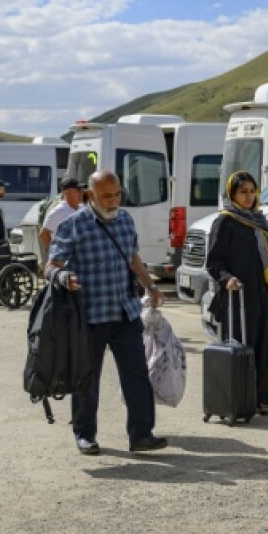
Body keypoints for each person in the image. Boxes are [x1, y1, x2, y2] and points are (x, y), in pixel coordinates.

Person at [48, 170, 167, 456]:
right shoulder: (73, 225)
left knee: (137, 375)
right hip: (89, 316)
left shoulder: (126, 219)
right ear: (90, 195)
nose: (113, 201)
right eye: (106, 196)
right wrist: (64, 278)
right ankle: (85, 434)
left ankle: (141, 435)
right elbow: (51, 265)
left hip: (125, 312)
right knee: (87, 379)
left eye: (116, 195)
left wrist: (150, 285)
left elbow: (133, 257)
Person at [205, 171, 268, 415]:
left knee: (266, 350)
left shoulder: (259, 220)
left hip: (264, 295)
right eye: (243, 192)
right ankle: (241, 398)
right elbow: (214, 262)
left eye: (252, 191)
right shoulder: (225, 221)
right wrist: (226, 279)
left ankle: (263, 400)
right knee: (244, 349)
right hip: (239, 298)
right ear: (232, 194)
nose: (249, 196)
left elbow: (265, 258)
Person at [38, 177, 86, 256]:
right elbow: (44, 234)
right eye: (78, 190)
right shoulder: (58, 211)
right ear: (67, 193)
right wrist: (54, 255)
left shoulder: (83, 208)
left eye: (81, 190)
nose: (81, 193)